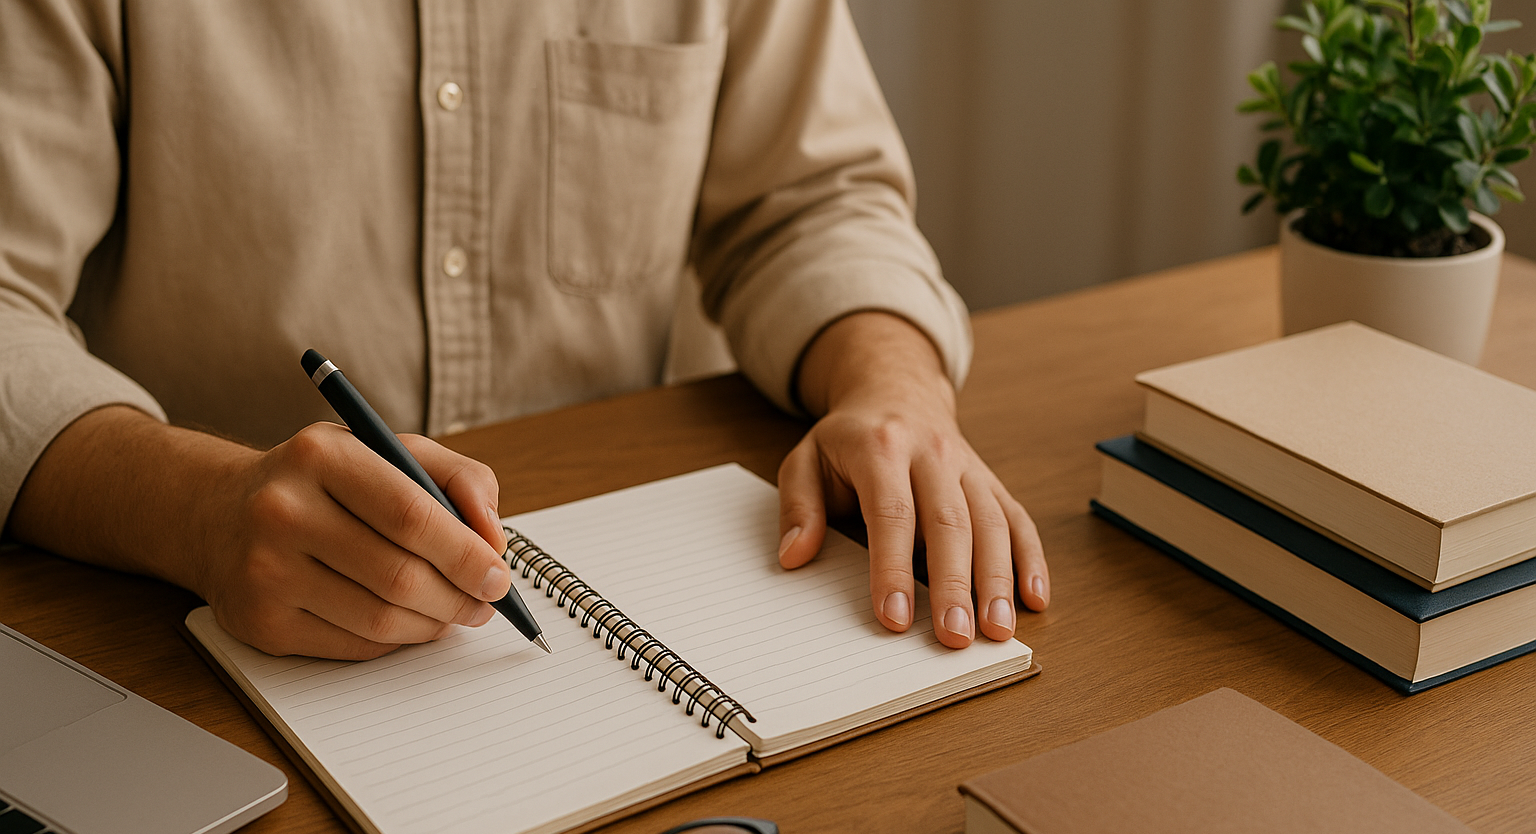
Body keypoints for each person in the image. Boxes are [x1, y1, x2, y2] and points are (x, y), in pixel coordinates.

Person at [0, 0, 1050, 661]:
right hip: (189, 633)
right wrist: (200, 509)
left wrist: (892, 385)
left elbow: (812, 201)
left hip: (644, 550)